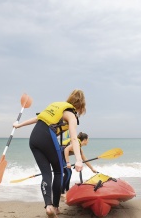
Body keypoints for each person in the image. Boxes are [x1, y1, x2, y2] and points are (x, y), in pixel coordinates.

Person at [13, 89, 86, 218]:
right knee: (58, 171)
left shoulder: (55, 106)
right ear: (81, 106)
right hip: (47, 137)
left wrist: (18, 125)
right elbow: (74, 138)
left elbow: (37, 118)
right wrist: (79, 159)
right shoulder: (71, 114)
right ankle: (56, 207)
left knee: (46, 173)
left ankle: (48, 206)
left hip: (34, 138)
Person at [61, 132, 97, 197]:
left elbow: (85, 160)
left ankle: (67, 190)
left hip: (61, 156)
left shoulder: (79, 149)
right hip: (58, 155)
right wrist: (68, 162)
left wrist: (92, 169)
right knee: (68, 172)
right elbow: (66, 150)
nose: (88, 142)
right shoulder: (76, 143)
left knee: (69, 172)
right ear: (85, 140)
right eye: (88, 140)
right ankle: (61, 192)